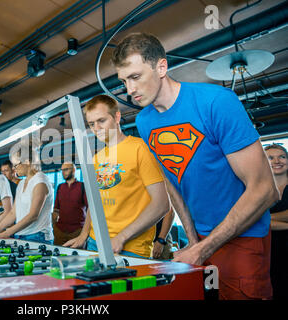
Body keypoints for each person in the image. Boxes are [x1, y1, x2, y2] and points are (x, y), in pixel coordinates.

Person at [112, 32, 278, 299]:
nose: (129, 90)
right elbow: (172, 180)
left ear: (161, 67)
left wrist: (203, 248)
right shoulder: (144, 122)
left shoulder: (216, 101)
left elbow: (266, 190)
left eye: (135, 77)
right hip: (200, 238)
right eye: (123, 81)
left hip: (243, 239)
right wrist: (192, 238)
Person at [64, 95, 170, 258]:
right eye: (91, 124)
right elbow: (95, 202)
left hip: (131, 248)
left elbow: (162, 204)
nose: (96, 128)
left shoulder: (140, 149)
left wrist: (122, 237)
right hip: (95, 243)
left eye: (101, 120)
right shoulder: (96, 158)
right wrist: (85, 234)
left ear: (117, 117)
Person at [0, 138, 54, 244]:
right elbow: (13, 213)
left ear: (27, 161)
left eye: (16, 165)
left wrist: (7, 233)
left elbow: (33, 216)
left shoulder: (40, 181)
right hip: (21, 235)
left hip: (38, 236)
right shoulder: (21, 183)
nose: (14, 168)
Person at [264, 144, 288, 300]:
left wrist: (262, 218)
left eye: (282, 156)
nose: (276, 161)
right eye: (270, 157)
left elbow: (255, 219)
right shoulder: (259, 189)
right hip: (266, 251)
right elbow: (249, 221)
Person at [52, 162, 88, 246]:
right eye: (62, 170)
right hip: (59, 231)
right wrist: (54, 227)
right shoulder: (60, 187)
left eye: (66, 169)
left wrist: (84, 232)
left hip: (77, 231)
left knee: (76, 258)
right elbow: (56, 209)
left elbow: (90, 209)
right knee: (57, 256)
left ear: (74, 170)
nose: (63, 172)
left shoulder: (82, 186)